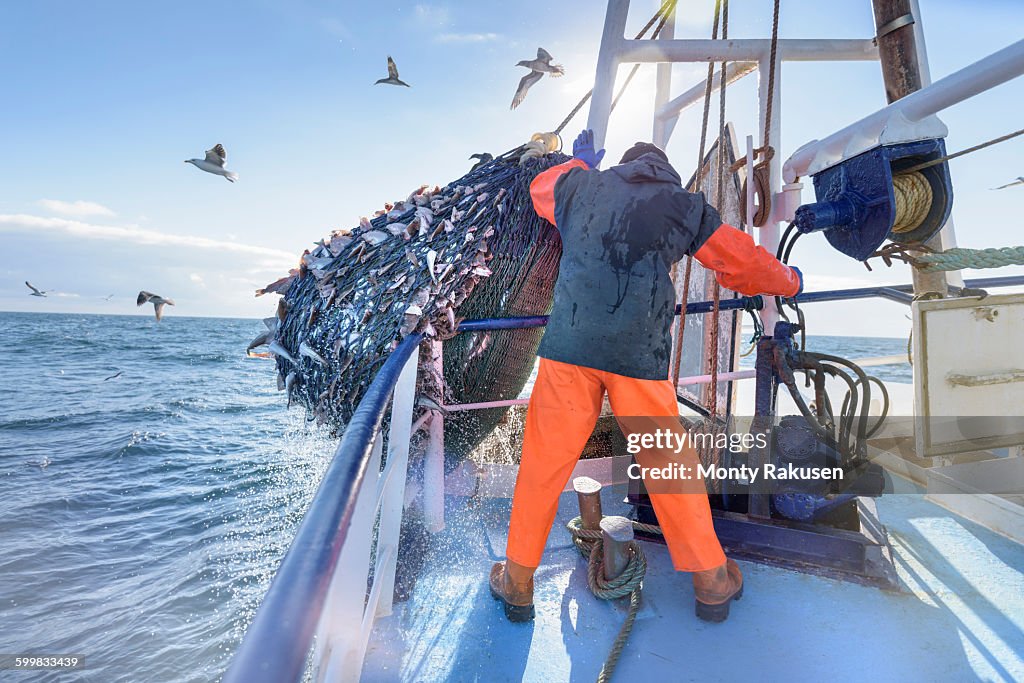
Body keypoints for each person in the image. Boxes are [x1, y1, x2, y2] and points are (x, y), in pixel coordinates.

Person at [489, 129, 803, 623]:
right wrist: (790, 280)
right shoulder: (682, 204)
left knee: (543, 466)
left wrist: (580, 165)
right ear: (666, 174)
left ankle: (519, 581)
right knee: (668, 466)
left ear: (622, 168)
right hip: (639, 357)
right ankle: (711, 582)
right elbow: (739, 262)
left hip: (569, 350)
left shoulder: (580, 187)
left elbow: (539, 188)